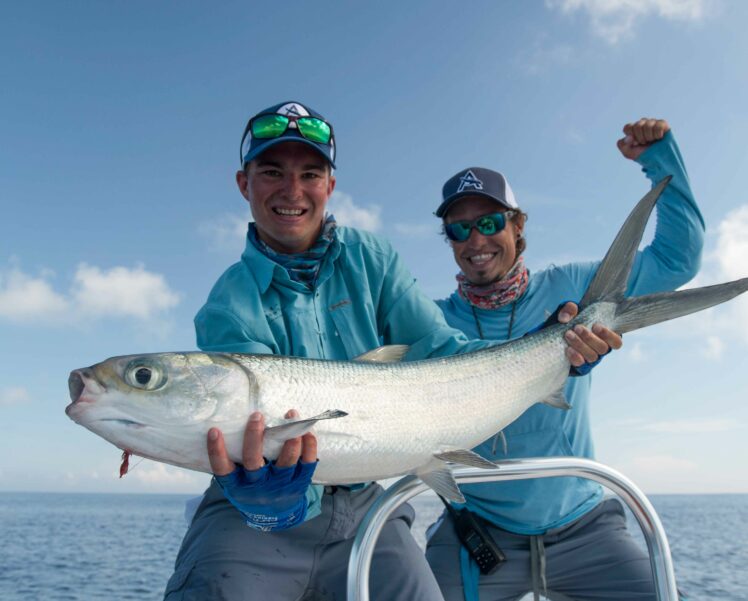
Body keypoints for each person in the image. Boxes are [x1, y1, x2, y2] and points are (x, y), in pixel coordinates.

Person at [163, 101, 619, 601]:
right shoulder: (228, 303)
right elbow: (246, 434)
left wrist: (554, 351)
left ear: (329, 186)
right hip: (250, 517)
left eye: (310, 173)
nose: (292, 191)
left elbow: (443, 350)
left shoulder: (372, 258)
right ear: (243, 183)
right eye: (272, 172)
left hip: (362, 502)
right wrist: (270, 501)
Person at [425, 118, 704, 601]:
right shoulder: (430, 321)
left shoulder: (572, 286)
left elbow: (678, 260)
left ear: (518, 224)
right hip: (479, 533)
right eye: (459, 229)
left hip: (585, 526)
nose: (475, 241)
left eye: (489, 223)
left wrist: (660, 160)